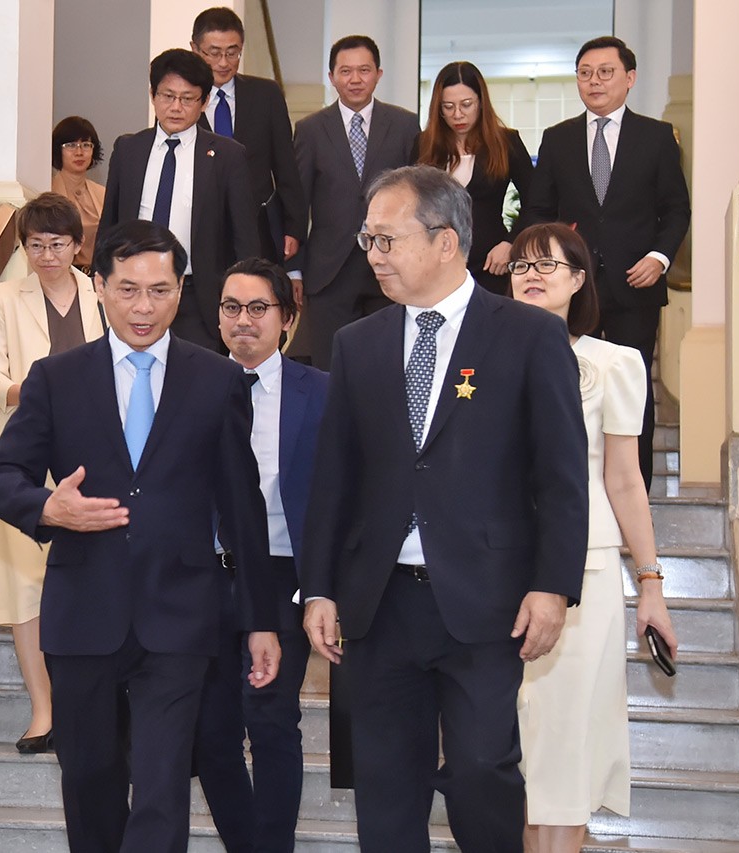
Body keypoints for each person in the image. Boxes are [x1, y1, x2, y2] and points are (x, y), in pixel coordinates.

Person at [300, 165, 589, 852]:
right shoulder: (358, 343)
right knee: (385, 780)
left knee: (484, 768)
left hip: (485, 602)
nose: (373, 255)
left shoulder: (527, 336)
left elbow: (560, 476)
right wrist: (318, 587)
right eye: (368, 239)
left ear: (446, 242)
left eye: (387, 240)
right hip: (380, 601)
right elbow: (334, 478)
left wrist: (552, 585)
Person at [0, 219, 281, 853]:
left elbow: (243, 508)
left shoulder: (216, 379)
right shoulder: (55, 378)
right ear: (100, 286)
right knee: (90, 780)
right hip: (84, 612)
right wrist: (49, 510)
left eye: (161, 291)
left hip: (181, 617)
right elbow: (1, 478)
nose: (144, 307)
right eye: (128, 290)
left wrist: (260, 620)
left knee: (163, 785)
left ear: (180, 291)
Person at [508, 222, 678, 853]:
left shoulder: (613, 363)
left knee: (568, 739)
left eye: (548, 265)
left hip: (588, 569)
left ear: (579, 281)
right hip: (498, 566)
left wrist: (652, 584)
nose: (531, 274)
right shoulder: (483, 356)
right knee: (511, 745)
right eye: (521, 264)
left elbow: (625, 481)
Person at [195, 258, 328, 853]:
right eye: (230, 308)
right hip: (202, 577)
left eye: (258, 309)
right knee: (212, 733)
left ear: (286, 318)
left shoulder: (322, 392)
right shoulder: (189, 387)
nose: (242, 321)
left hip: (281, 577)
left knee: (271, 718)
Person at [521, 35, 691, 491]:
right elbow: (537, 210)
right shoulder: (557, 139)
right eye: (585, 73)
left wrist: (658, 258)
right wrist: (550, 259)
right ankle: (571, 482)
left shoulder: (656, 138)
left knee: (632, 390)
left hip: (634, 284)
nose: (594, 82)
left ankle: (636, 488)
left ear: (629, 79)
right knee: (566, 384)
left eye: (605, 72)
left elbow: (676, 208)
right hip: (571, 289)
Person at [0, 192, 104, 755]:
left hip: (95, 451)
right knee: (24, 586)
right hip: (27, 449)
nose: (47, 255)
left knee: (93, 578)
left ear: (78, 245)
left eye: (57, 244)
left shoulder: (102, 292)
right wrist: (34, 392)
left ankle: (92, 704)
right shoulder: (5, 298)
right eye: (35, 246)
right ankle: (42, 709)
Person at [99, 48, 259, 353]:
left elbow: (244, 237)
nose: (175, 107)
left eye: (187, 99)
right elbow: (110, 224)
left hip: (198, 296)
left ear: (204, 102)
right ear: (152, 95)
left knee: (196, 386)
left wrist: (240, 301)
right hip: (133, 292)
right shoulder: (129, 150)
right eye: (167, 96)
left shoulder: (227, 156)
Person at [292, 34, 421, 370]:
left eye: (364, 70)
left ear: (378, 74)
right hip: (328, 269)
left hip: (391, 261)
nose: (355, 79)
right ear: (332, 76)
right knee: (329, 368)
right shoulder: (310, 129)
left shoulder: (405, 124)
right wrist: (294, 267)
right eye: (345, 71)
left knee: (387, 365)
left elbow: (417, 195)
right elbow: (296, 201)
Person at [191, 7, 306, 265]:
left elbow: (286, 166)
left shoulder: (266, 95)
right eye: (215, 53)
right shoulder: (182, 101)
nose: (224, 62)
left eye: (232, 53)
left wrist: (293, 227)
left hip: (257, 228)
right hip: (200, 229)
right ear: (195, 49)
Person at [418, 60, 533, 295]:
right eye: (448, 107)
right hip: (437, 264)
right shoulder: (423, 145)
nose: (457, 114)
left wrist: (511, 243)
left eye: (466, 105)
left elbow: (537, 201)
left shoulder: (506, 142)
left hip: (492, 264)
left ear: (481, 103)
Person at [51, 116, 107, 273]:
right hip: (61, 276)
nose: (79, 152)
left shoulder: (103, 194)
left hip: (98, 277)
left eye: (86, 145)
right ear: (57, 150)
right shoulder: (46, 194)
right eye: (70, 145)